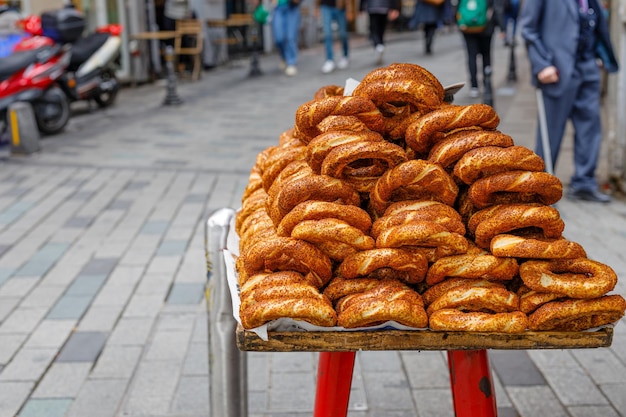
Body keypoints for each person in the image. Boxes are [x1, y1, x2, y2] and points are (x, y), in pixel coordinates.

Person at [520, 0, 618, 203]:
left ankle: (584, 183)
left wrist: (599, 56)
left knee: (590, 127)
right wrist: (542, 64)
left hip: (588, 67)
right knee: (551, 130)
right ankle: (542, 189)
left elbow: (595, 21)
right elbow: (528, 29)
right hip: (556, 70)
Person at [457, 0, 504, 99]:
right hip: (486, 27)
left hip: (468, 27)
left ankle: (474, 86)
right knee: (486, 55)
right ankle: (486, 83)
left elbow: (458, 6)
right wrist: (502, 27)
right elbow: (497, 7)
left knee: (471, 56)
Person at [317, 0, 353, 73]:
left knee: (342, 34)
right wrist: (316, 7)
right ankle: (329, 60)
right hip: (326, 6)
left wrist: (350, 9)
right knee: (327, 34)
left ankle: (345, 56)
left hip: (340, 6)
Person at [360, 0, 400, 65]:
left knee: (374, 29)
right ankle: (380, 45)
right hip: (384, 7)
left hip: (373, 8)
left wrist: (361, 8)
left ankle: (378, 45)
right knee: (381, 30)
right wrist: (394, 7)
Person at [272, 0, 302, 76]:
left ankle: (291, 63)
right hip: (278, 8)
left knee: (290, 37)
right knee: (279, 38)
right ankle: (284, 57)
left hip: (291, 7)